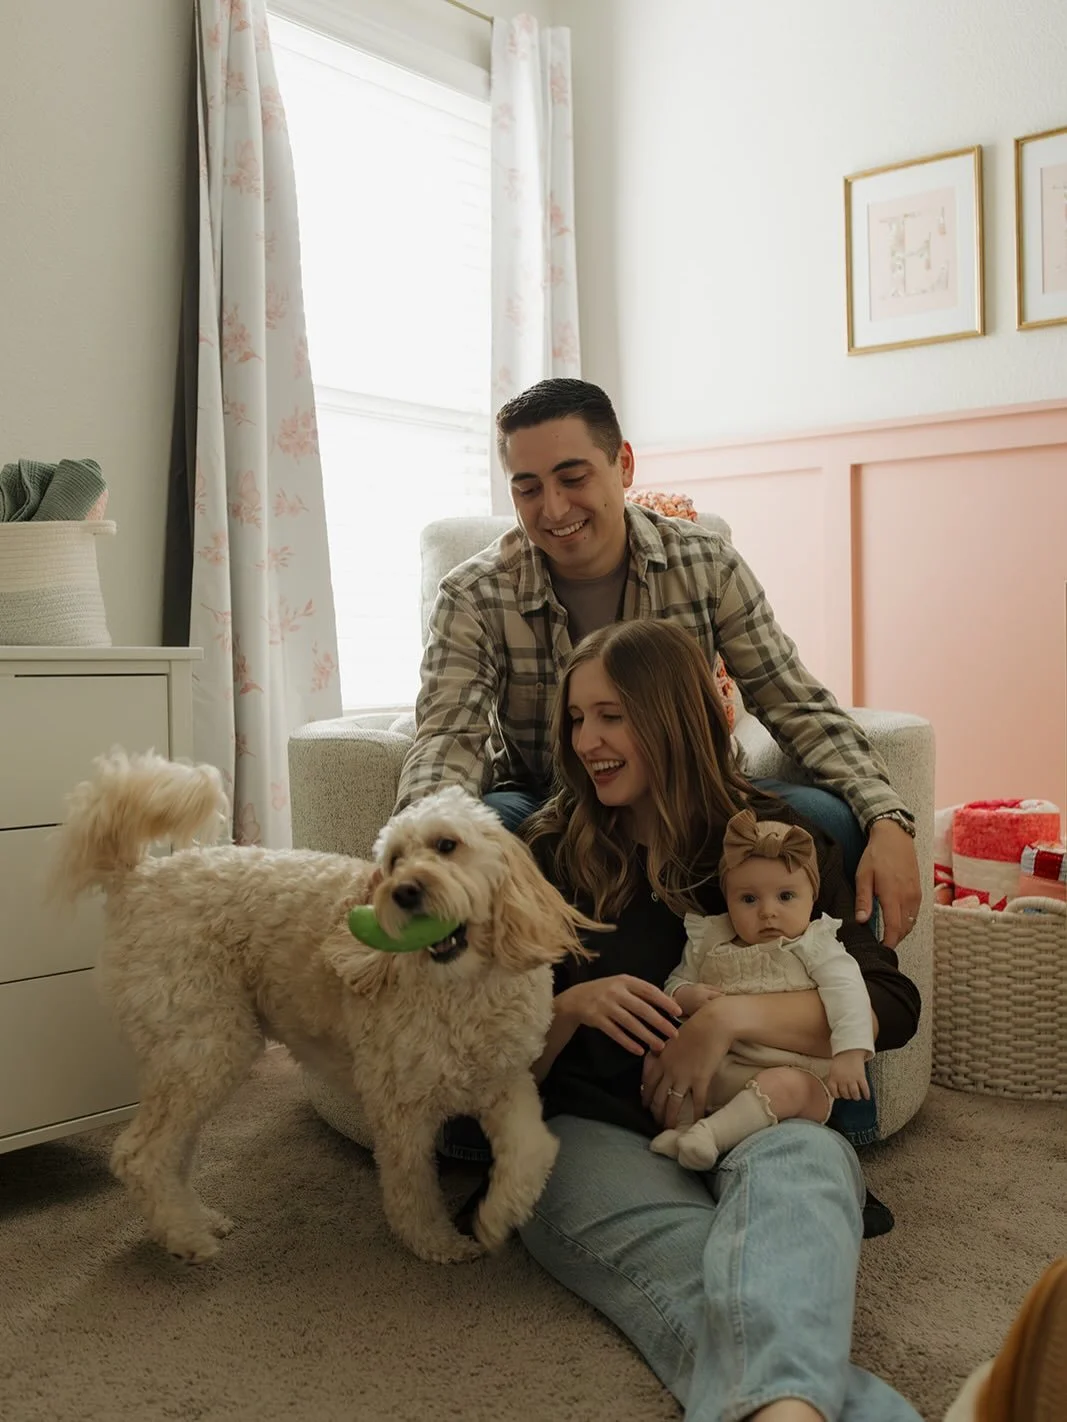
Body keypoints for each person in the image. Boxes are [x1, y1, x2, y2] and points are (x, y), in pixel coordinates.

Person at [516, 618, 923, 1422]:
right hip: (595, 1132)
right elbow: (490, 1071)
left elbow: (888, 1005)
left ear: (671, 717)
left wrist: (726, 1018)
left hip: (762, 1112)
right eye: (577, 718)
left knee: (806, 1167)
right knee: (707, 1282)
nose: (587, 740)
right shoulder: (549, 855)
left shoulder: (778, 842)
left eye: (611, 716)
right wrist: (566, 1007)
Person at [396, 376, 922, 952]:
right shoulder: (473, 595)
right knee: (489, 836)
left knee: (830, 820)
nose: (553, 508)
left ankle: (845, 992)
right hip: (547, 796)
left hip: (693, 793)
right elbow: (449, 738)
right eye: (528, 489)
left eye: (573, 478)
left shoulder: (705, 564)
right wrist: (419, 851)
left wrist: (885, 817)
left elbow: (792, 700)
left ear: (623, 465)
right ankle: (540, 1004)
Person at [648, 809, 876, 1171]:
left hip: (793, 1075)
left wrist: (849, 1054)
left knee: (787, 1086)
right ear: (727, 899)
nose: (768, 912)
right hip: (720, 1066)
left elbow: (849, 993)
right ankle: (685, 1128)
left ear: (812, 898)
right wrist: (686, 995)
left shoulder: (816, 944)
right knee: (660, 1056)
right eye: (749, 899)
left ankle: (710, 1135)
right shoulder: (710, 939)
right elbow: (675, 983)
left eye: (786, 896)